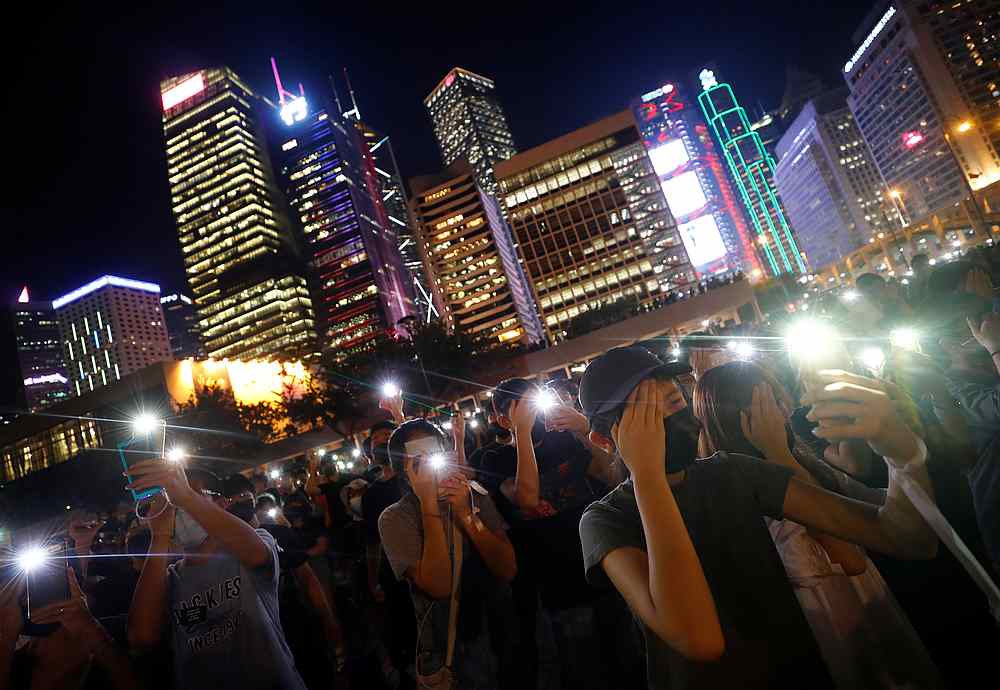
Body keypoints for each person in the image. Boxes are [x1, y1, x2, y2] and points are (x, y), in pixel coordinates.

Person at [577, 346, 938, 690]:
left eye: (674, 402)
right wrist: (648, 475)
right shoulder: (606, 520)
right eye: (647, 417)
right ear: (604, 440)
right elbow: (700, 640)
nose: (670, 419)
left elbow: (907, 538)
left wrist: (901, 451)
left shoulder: (731, 472)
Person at [695, 360, 942, 688]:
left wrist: (896, 444)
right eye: (772, 402)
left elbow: (886, 509)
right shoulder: (752, 490)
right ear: (744, 416)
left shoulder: (800, 457)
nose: (785, 408)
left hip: (866, 608)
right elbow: (850, 558)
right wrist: (776, 453)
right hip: (834, 629)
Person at [475, 378, 635, 690]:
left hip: (606, 565)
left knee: (629, 660)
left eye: (533, 402)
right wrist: (521, 432)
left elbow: (612, 475)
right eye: (521, 407)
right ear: (502, 419)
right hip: (557, 582)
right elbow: (527, 498)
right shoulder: (492, 458)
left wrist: (583, 428)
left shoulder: (564, 440)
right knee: (584, 669)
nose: (531, 413)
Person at [126, 463, 307, 690]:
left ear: (221, 504)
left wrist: (186, 498)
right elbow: (141, 637)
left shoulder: (256, 540)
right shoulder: (168, 581)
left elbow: (257, 556)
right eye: (173, 504)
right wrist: (159, 535)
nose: (178, 508)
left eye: (188, 497)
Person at [379, 419, 517, 688]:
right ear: (402, 469)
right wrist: (429, 504)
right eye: (418, 459)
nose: (429, 464)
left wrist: (466, 514)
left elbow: (507, 569)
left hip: (499, 626)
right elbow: (439, 587)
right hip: (450, 646)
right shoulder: (395, 517)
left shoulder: (473, 495)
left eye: (434, 454)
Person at [222, 473, 344, 689]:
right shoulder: (227, 548)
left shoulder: (279, 533)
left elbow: (306, 577)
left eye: (243, 495)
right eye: (231, 499)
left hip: (297, 620)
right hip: (262, 635)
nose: (238, 502)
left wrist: (328, 617)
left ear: (254, 496)